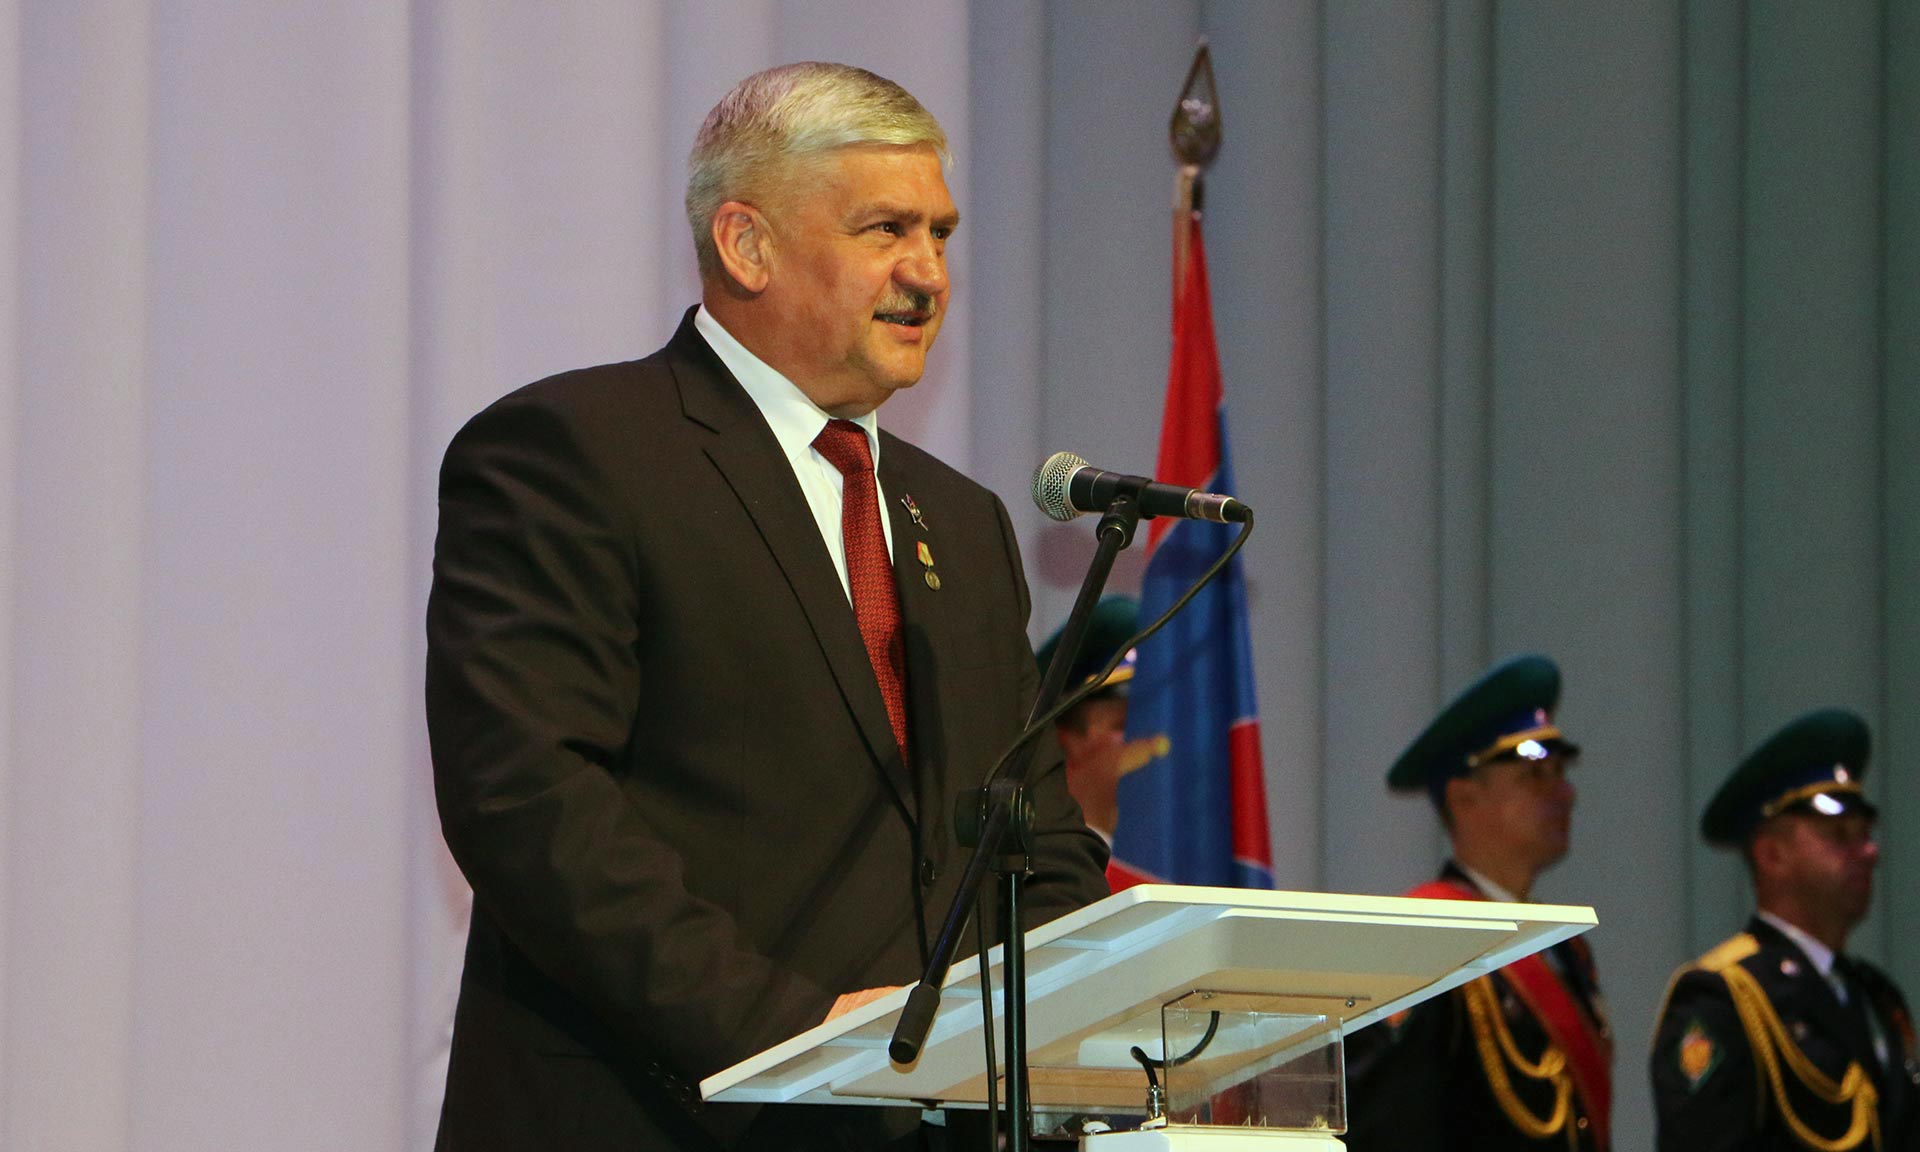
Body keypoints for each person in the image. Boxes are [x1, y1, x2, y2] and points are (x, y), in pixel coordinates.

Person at [424, 62, 1110, 1151]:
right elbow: (530, 804)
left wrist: (1058, 1031)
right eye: (885, 230)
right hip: (659, 1115)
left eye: (940, 233)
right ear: (746, 245)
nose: (928, 272)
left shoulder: (962, 519)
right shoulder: (578, 453)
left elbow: (1036, 835)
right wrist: (791, 1037)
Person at [1343, 654, 1612, 1152]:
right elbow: (1389, 1127)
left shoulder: (1563, 951)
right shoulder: (1427, 942)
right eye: (1536, 774)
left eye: (1561, 772)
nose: (1565, 793)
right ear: (1463, 796)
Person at [1650, 709, 1920, 1152]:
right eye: (1840, 835)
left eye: (1866, 834)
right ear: (1772, 856)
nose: (1869, 852)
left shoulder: (1877, 997)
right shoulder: (1725, 998)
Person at [1032, 596, 1167, 892]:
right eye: (1126, 726)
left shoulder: (1180, 871)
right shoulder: (1041, 881)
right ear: (1064, 737)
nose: (1155, 745)